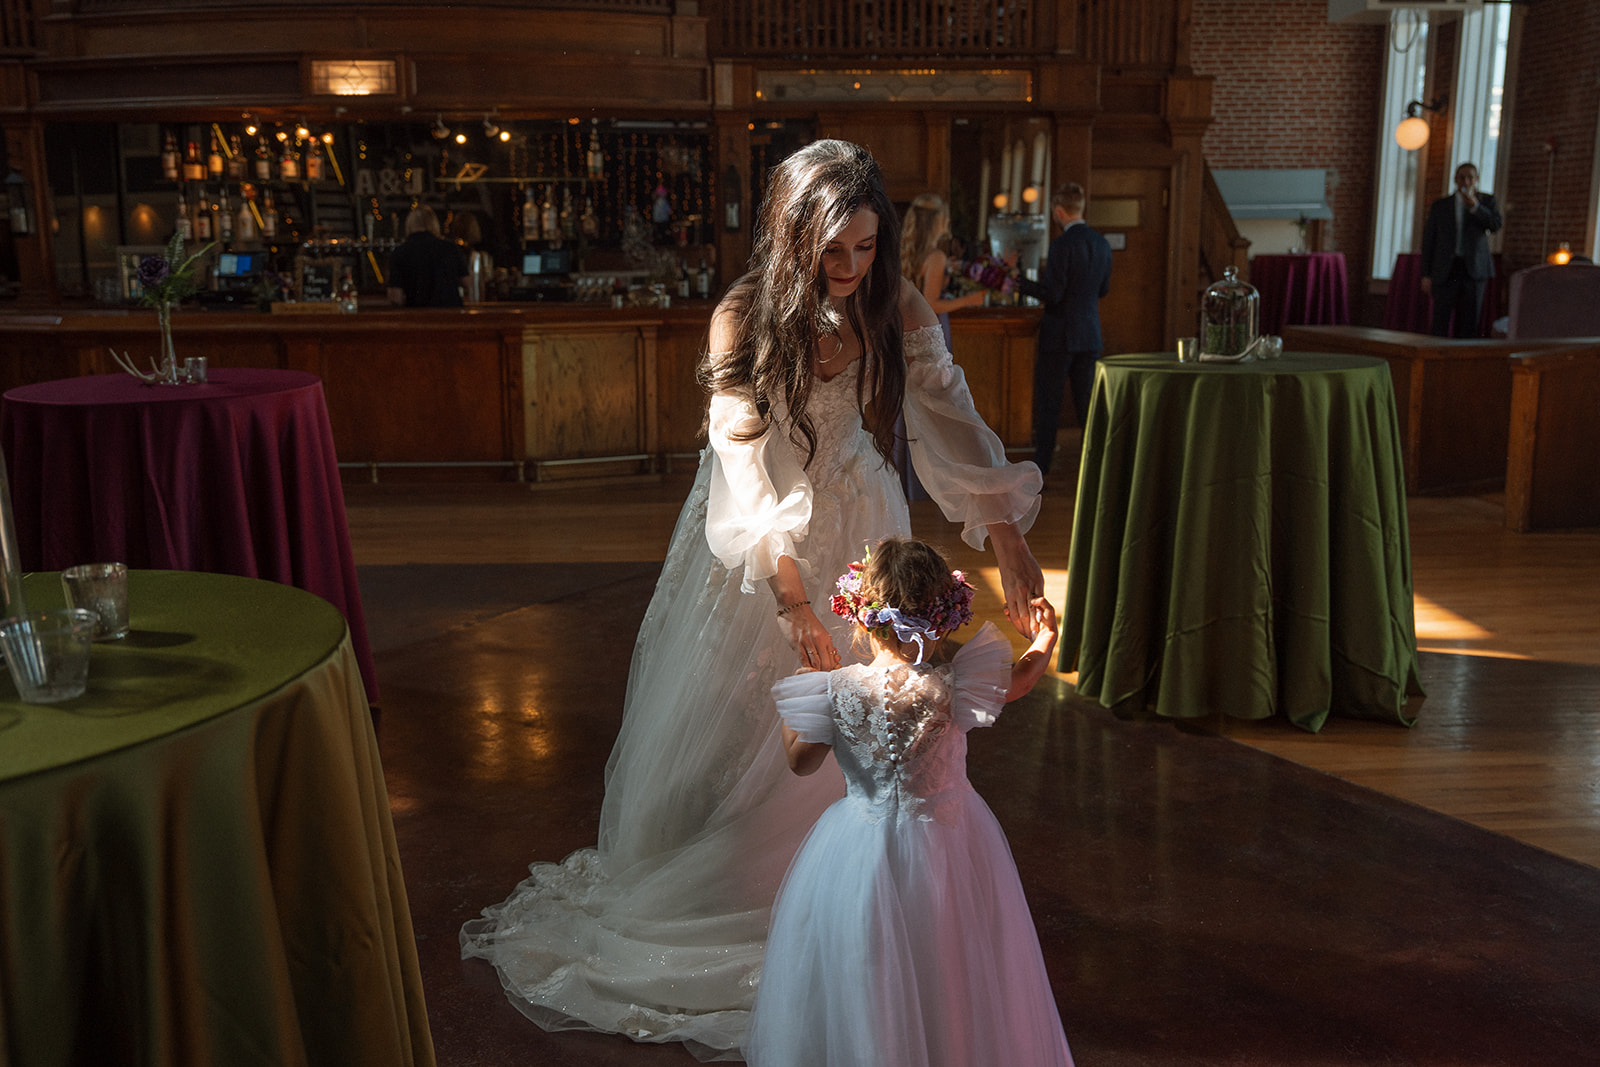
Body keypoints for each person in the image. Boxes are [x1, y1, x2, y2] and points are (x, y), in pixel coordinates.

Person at [460, 139, 1045, 1059]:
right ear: (791, 234)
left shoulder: (892, 301)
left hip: (869, 521)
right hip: (766, 544)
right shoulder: (742, 318)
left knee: (876, 712)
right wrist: (794, 603)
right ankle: (742, 887)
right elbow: (748, 476)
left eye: (865, 247)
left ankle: (860, 896)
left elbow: (949, 421)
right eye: (832, 251)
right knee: (752, 721)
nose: (851, 270)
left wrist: (1008, 537)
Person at [745, 538, 1072, 1067]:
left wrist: (806, 693)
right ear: (944, 614)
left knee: (868, 961)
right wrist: (1046, 637)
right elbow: (1024, 678)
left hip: (858, 846)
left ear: (860, 615)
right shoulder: (957, 681)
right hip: (947, 837)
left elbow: (800, 762)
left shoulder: (835, 689)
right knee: (949, 955)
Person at [1016, 182, 1112, 475]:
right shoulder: (1101, 244)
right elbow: (1104, 290)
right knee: (1087, 407)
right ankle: (1095, 468)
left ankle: (1041, 470)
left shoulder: (1061, 245)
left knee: (1050, 406)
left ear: (1059, 211)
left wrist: (1019, 281)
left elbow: (1053, 294)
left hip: (1059, 337)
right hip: (1090, 335)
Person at [1419, 162, 1502, 338]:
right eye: (1462, 177)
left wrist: (1475, 208)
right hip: (1447, 269)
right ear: (1456, 180)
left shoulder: (1486, 201)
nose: (1466, 181)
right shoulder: (1441, 206)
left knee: (1470, 322)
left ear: (1476, 180)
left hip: (1474, 269)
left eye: (1470, 177)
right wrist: (1426, 274)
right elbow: (1429, 241)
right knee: (1440, 320)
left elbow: (1495, 225)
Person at [900, 192, 987, 351]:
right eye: (945, 215)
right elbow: (932, 304)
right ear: (936, 219)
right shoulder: (936, 256)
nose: (948, 220)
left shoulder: (912, 254)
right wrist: (970, 300)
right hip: (930, 328)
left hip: (911, 327)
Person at [385, 205, 468, 307]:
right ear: (433, 223)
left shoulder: (400, 252)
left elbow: (396, 297)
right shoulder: (449, 248)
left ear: (409, 225)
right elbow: (467, 282)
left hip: (417, 316)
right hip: (452, 314)